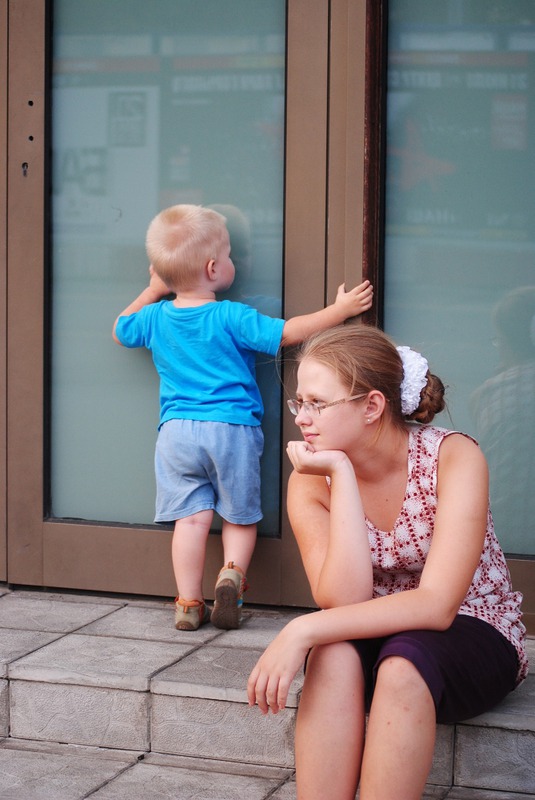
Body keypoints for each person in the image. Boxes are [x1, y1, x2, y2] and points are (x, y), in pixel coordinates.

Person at [247, 324, 527, 800]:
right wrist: (341, 475)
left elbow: (438, 606)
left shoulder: (452, 457)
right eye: (299, 402)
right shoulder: (313, 478)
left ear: (372, 406)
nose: (301, 418)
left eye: (318, 403)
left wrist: (301, 629)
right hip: (373, 625)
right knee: (333, 655)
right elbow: (344, 598)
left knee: (399, 665)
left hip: (471, 625)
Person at [112, 204, 373, 632]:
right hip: (232, 429)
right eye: (231, 255)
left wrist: (153, 288)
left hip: (176, 432)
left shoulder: (155, 318)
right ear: (214, 268)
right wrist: (339, 311)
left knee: (191, 519)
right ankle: (231, 575)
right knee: (238, 515)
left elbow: (121, 329)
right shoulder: (231, 316)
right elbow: (288, 333)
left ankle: (188, 602)